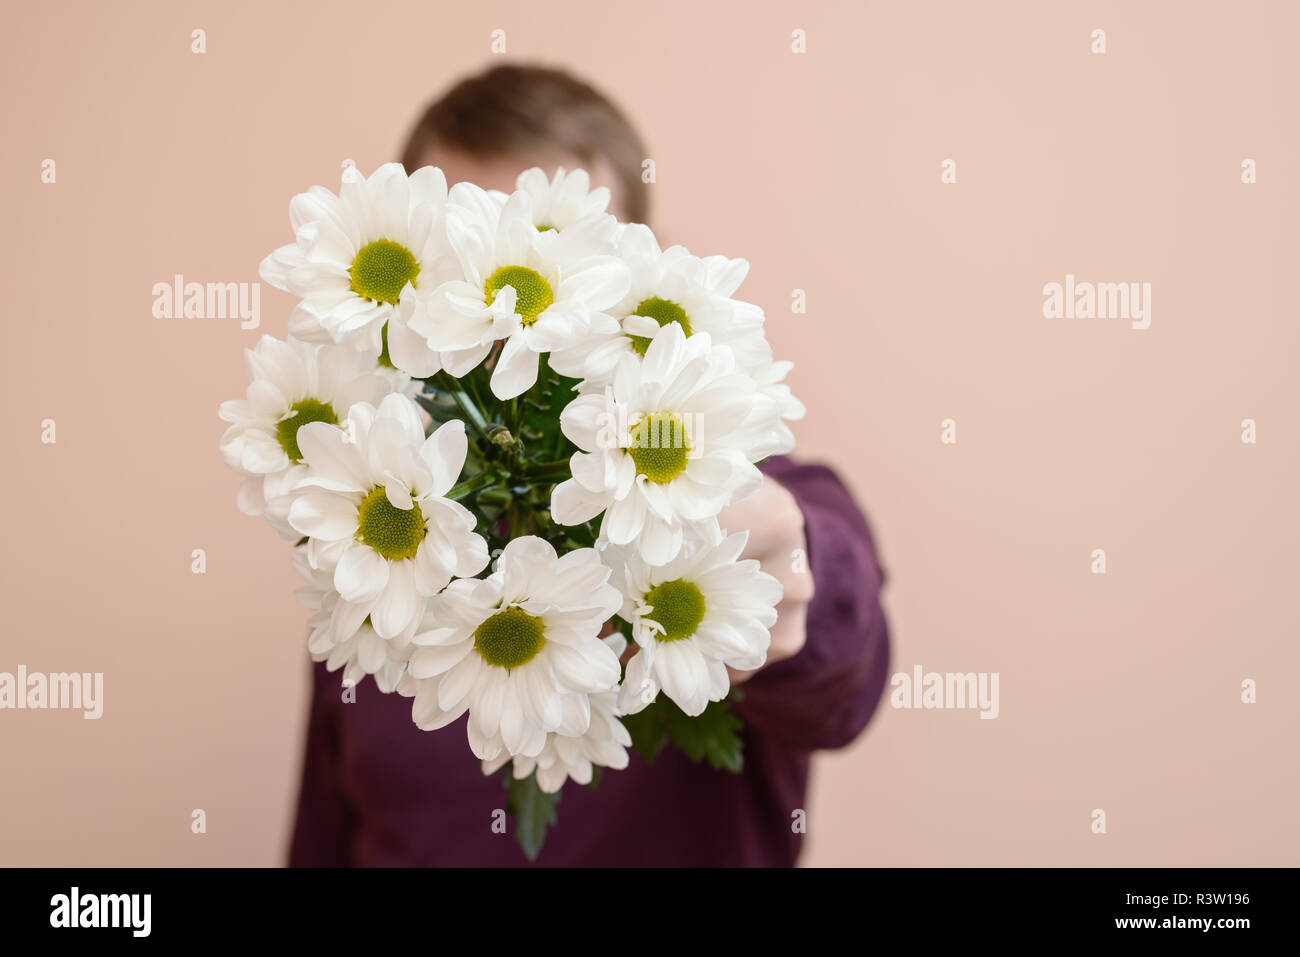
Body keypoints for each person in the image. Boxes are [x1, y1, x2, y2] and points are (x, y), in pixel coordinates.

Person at [289, 63, 891, 866]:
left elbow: (840, 678)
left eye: (555, 259)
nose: (501, 311)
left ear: (642, 273)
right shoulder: (373, 562)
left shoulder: (736, 505)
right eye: (462, 259)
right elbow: (326, 830)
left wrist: (780, 576)